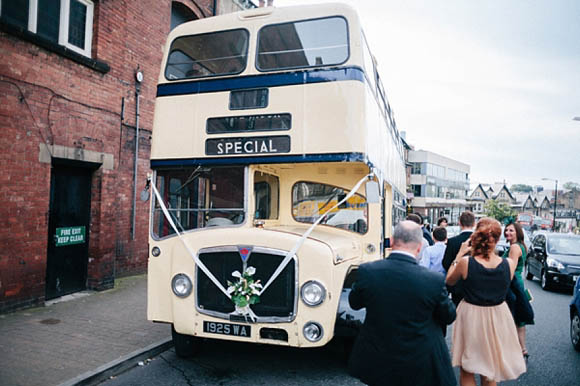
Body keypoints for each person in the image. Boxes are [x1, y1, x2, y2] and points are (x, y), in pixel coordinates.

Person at [348, 221, 456, 386]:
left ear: (391, 241)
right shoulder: (433, 280)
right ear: (420, 247)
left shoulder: (368, 271)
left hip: (379, 353)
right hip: (420, 355)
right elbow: (448, 316)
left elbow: (354, 303)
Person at [446, 218, 526, 386]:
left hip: (471, 314)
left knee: (467, 368)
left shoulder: (466, 262)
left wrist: (459, 255)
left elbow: (449, 281)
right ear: (497, 239)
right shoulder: (509, 264)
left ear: (476, 236)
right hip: (498, 314)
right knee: (490, 370)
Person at [503, 222, 534, 359]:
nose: (507, 232)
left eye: (511, 230)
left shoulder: (514, 247)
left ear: (518, 233)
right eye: (506, 230)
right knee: (519, 318)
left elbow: (510, 269)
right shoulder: (521, 246)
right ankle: (522, 349)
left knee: (510, 315)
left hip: (512, 283)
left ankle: (512, 349)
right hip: (518, 283)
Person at [442, 211, 476, 306]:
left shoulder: (452, 241)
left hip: (457, 284)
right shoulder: (478, 241)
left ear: (459, 223)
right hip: (475, 282)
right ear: (474, 224)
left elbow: (446, 262)